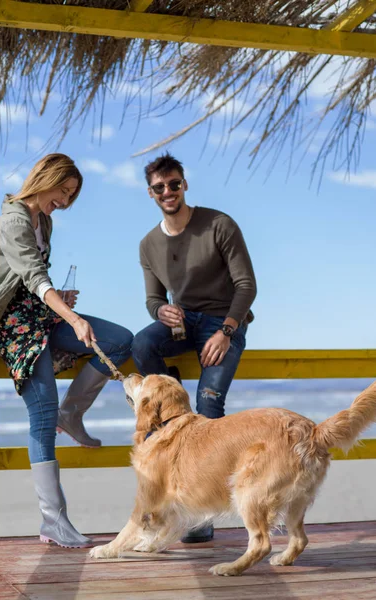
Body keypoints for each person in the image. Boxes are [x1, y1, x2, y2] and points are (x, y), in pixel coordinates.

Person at [0, 153, 133, 548]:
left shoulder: (44, 221)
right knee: (41, 414)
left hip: (43, 314)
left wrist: (62, 301)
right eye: (64, 192)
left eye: (72, 197)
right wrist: (72, 316)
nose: (66, 202)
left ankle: (74, 411)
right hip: (16, 325)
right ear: (46, 178)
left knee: (121, 339)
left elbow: (37, 280)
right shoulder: (12, 219)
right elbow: (32, 277)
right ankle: (54, 521)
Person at [131, 153, 257, 543]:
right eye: (159, 187)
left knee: (210, 407)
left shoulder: (219, 224)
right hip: (182, 326)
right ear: (150, 193)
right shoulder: (148, 244)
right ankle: (175, 400)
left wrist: (228, 331)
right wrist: (162, 310)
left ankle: (201, 515)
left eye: (174, 184)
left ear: (184, 185)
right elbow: (152, 299)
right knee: (141, 342)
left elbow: (246, 285)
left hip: (223, 323)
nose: (167, 192)